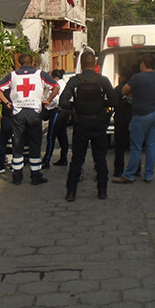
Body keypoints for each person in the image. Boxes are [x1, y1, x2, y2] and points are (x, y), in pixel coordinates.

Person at [60, 52, 118, 201]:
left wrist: (75, 107)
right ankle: (102, 192)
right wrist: (102, 105)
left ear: (81, 65)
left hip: (81, 124)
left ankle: (71, 193)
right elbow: (114, 100)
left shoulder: (75, 81)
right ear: (95, 65)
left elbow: (63, 101)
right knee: (100, 159)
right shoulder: (102, 81)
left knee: (77, 159)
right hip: (99, 123)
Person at [0, 54, 59, 185]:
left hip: (18, 112)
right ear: (33, 62)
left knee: (18, 143)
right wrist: (48, 100)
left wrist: (7, 102)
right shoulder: (40, 74)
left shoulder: (12, 75)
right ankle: (35, 176)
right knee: (35, 143)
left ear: (18, 64)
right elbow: (56, 86)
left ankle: (17, 176)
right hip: (34, 112)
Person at [113, 53, 155, 184]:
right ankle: (148, 175)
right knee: (151, 145)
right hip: (154, 113)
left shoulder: (137, 78)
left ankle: (128, 175)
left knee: (136, 147)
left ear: (143, 64)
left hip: (141, 115)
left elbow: (124, 90)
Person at [42, 69, 71, 168]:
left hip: (58, 110)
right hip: (66, 111)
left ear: (54, 77)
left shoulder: (56, 85)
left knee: (51, 135)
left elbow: (55, 100)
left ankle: (46, 160)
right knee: (62, 134)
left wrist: (47, 105)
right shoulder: (64, 83)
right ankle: (63, 158)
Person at [113, 67, 134, 178]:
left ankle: (118, 170)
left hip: (120, 120)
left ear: (123, 77)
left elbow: (112, 102)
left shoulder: (118, 89)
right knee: (134, 146)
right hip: (133, 119)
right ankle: (137, 169)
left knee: (119, 147)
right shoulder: (134, 88)